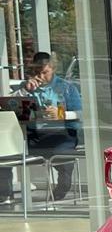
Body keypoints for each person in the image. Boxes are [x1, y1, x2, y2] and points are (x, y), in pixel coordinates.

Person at [0, 52, 83, 205]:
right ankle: (5, 194)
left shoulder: (66, 88)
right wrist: (25, 91)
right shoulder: (27, 87)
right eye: (37, 72)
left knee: (63, 156)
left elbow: (81, 113)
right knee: (6, 153)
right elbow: (8, 107)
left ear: (53, 69)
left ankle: (62, 187)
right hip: (34, 135)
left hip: (61, 134)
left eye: (45, 72)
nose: (41, 76)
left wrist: (60, 114)